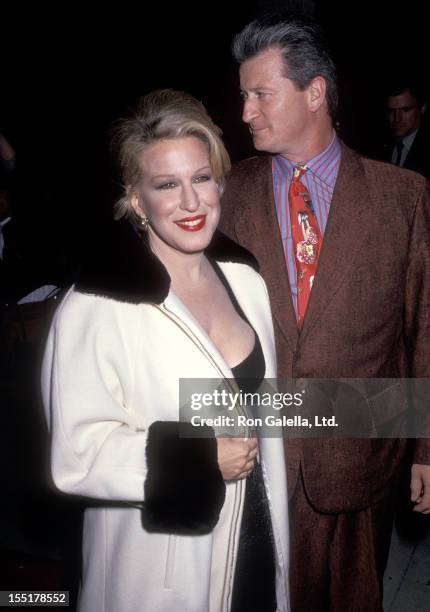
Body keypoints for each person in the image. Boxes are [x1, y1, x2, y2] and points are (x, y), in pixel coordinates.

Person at [41, 89, 289, 612]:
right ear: (137, 199)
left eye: (201, 178)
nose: (192, 202)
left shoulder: (245, 280)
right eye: (167, 185)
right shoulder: (100, 305)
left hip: (257, 533)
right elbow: (76, 453)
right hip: (165, 566)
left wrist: (398, 420)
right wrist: (197, 459)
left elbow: (265, 405)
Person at [220, 13, 430, 612]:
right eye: (243, 96)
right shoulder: (229, 193)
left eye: (261, 94)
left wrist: (426, 451)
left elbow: (424, 329)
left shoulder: (403, 197)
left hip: (365, 454)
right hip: (266, 455)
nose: (246, 112)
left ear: (315, 93)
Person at [381, 81, 429, 178]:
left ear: (423, 108)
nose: (397, 118)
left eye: (406, 110)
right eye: (391, 111)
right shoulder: (380, 145)